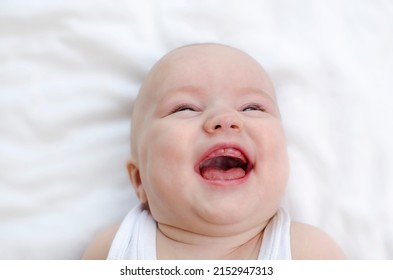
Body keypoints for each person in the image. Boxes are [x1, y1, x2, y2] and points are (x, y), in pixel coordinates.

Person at [82, 43, 345, 260]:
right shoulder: (113, 249)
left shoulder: (309, 252)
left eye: (252, 107)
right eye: (185, 108)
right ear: (140, 180)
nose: (225, 118)